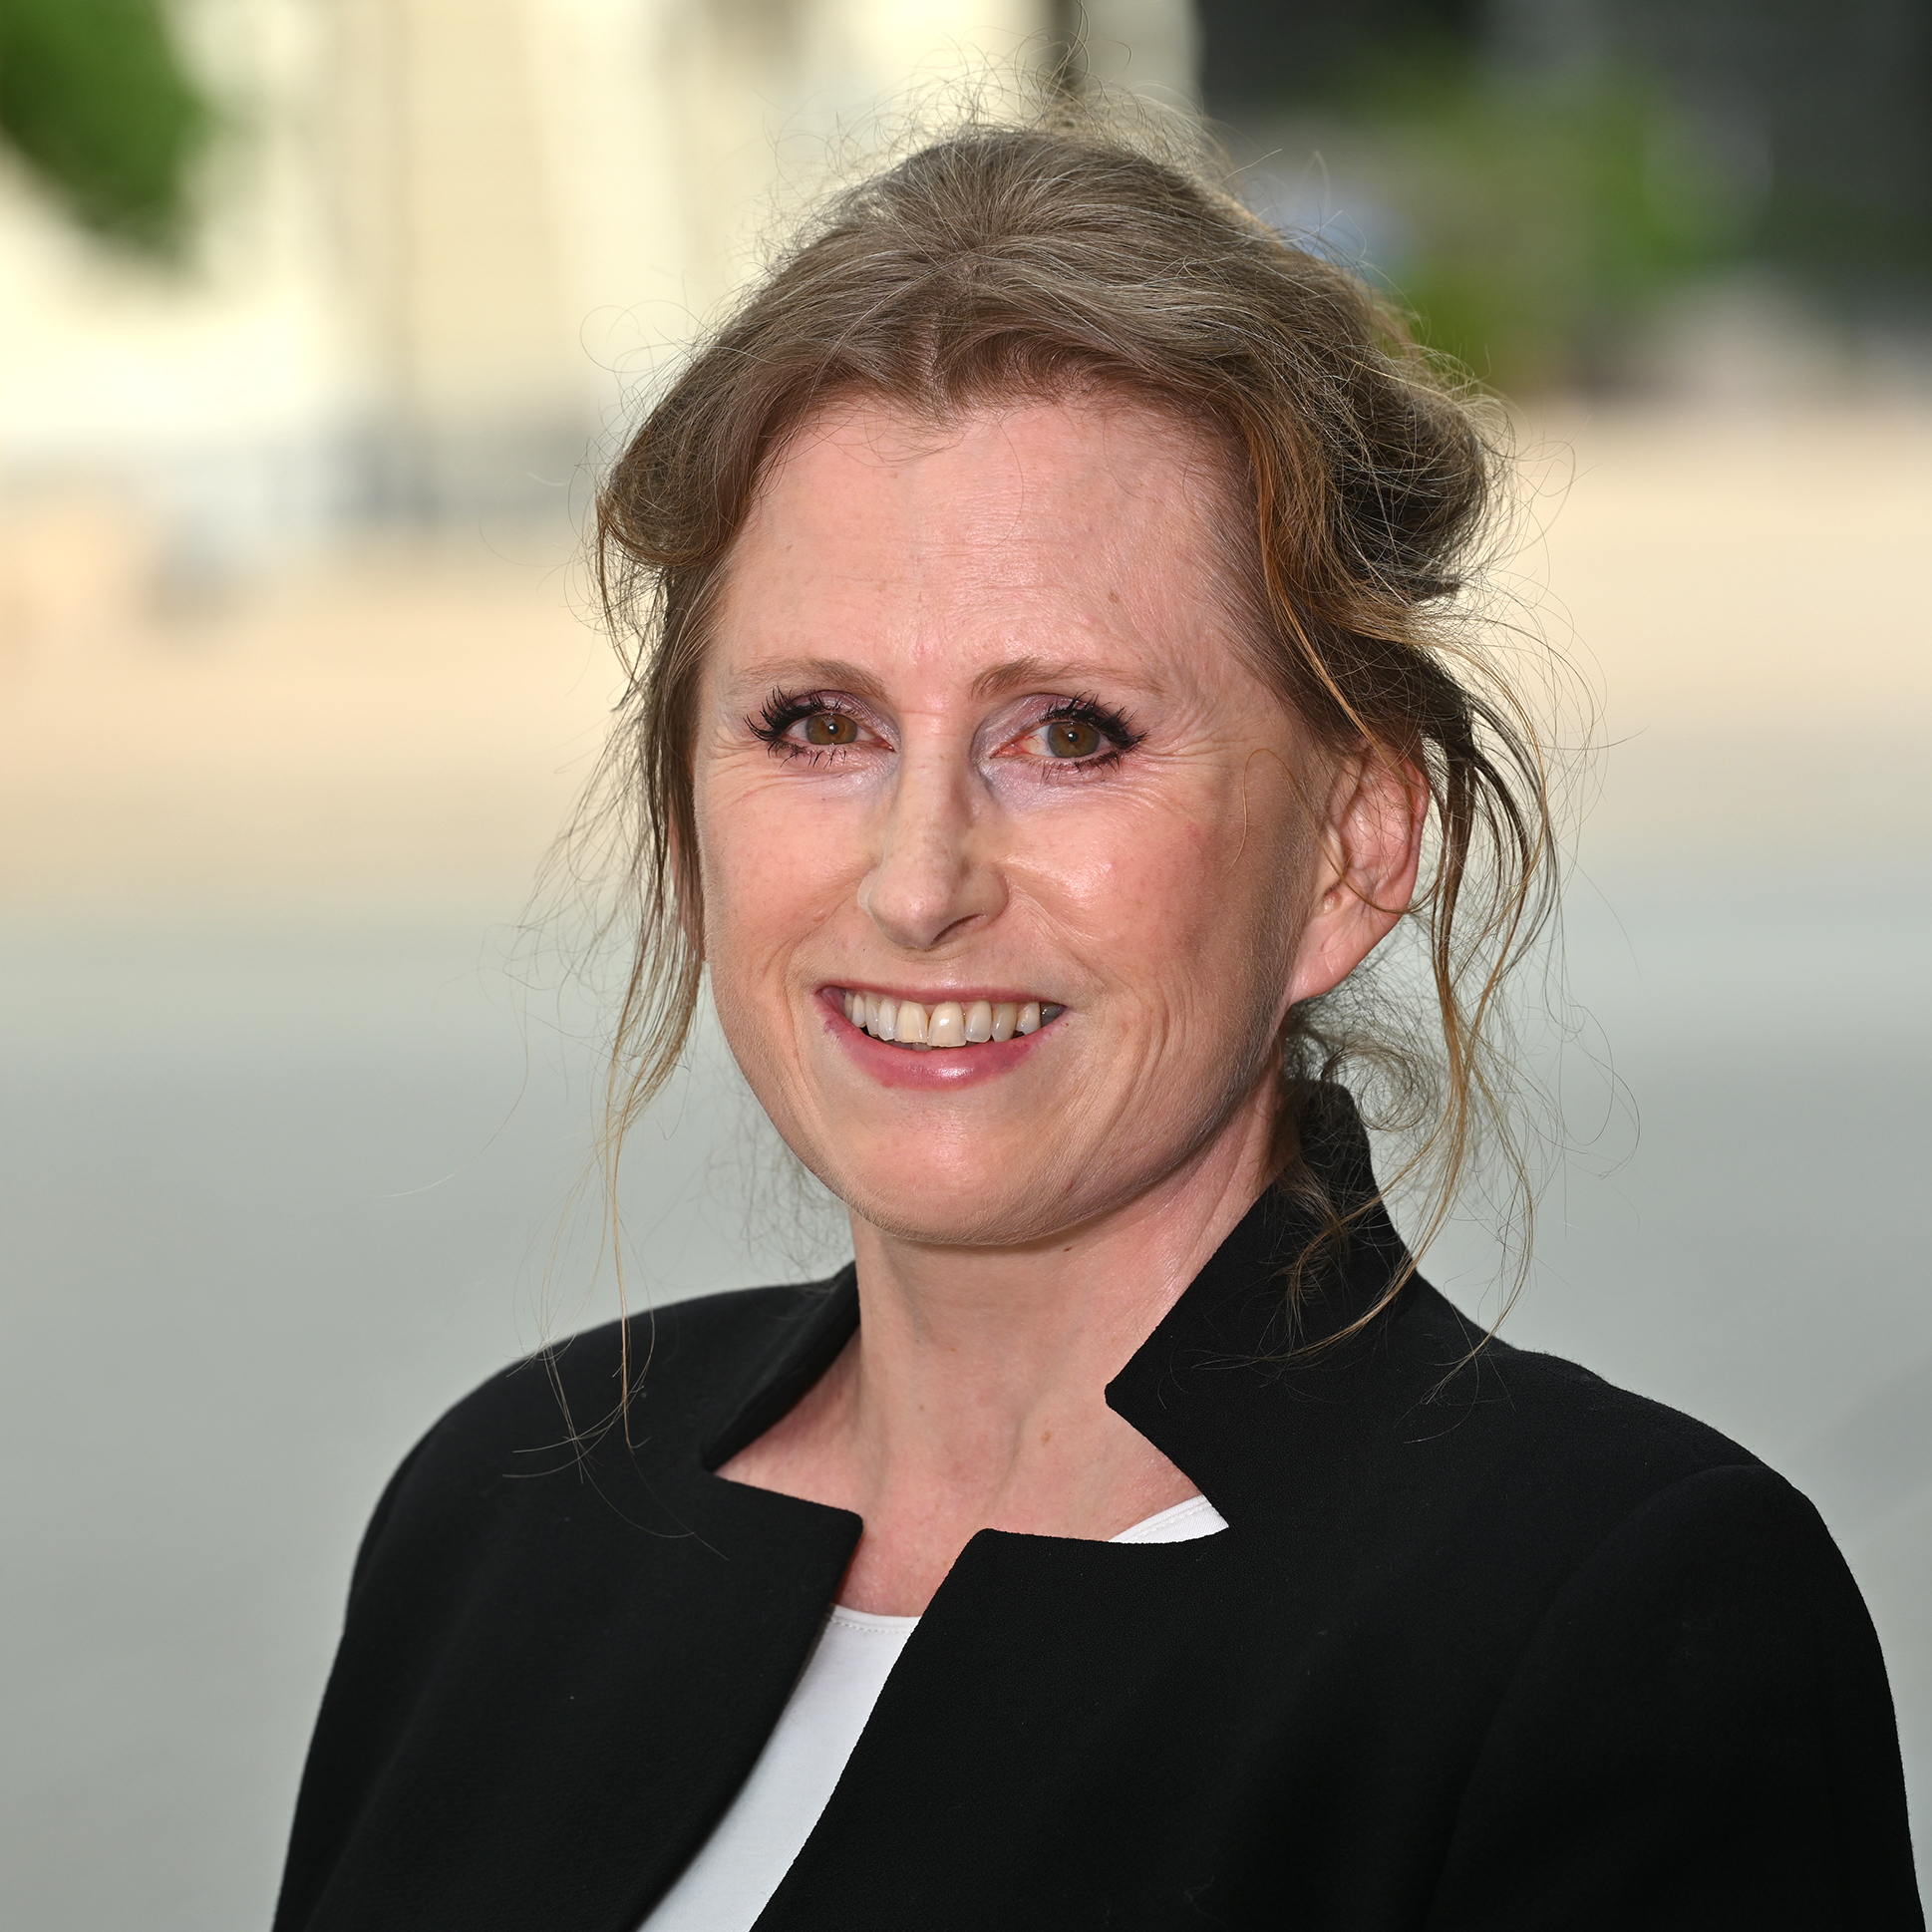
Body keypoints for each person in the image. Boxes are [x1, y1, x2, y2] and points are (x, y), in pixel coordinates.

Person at [271, 111, 1922, 1931]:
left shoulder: (1614, 1628)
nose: (918, 880)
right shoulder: (505, 1507)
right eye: (817, 722)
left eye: (1070, 731)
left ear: (1353, 844)